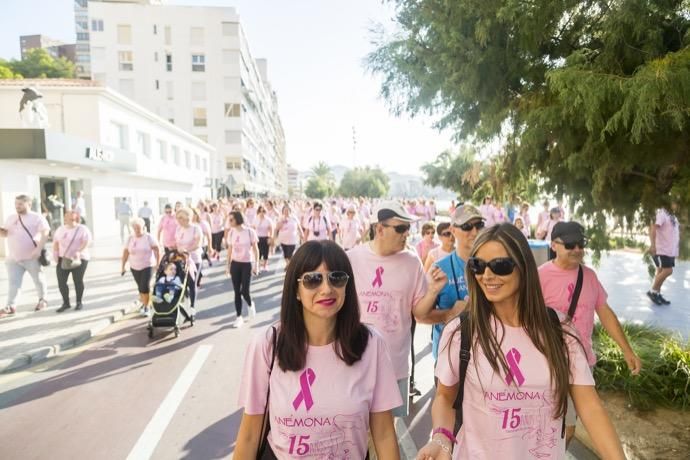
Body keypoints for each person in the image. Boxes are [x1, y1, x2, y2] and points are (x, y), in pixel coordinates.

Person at [417, 223, 625, 460]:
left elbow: (590, 407)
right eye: (478, 265)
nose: (487, 275)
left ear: (523, 267)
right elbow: (445, 396)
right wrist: (441, 438)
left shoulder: (561, 331)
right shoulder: (461, 331)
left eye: (500, 266)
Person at [235, 240, 402, 458]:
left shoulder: (371, 345)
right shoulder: (267, 344)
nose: (326, 289)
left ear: (347, 286)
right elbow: (249, 434)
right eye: (313, 279)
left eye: (337, 278)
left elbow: (384, 433)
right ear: (296, 290)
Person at [539, 221, 641, 446]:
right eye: (570, 244)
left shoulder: (590, 277)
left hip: (581, 364)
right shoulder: (539, 277)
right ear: (554, 245)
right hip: (547, 363)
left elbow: (605, 313)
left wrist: (627, 350)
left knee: (569, 427)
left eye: (581, 244)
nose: (577, 249)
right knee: (548, 425)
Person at [348, 201, 447, 415]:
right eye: (400, 228)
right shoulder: (351, 259)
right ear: (380, 228)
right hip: (355, 366)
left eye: (408, 229)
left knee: (387, 436)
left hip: (396, 368)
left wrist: (432, 292)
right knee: (354, 436)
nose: (406, 234)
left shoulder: (412, 262)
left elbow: (419, 314)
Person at [425, 205, 484, 364]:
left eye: (479, 225)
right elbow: (420, 314)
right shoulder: (439, 268)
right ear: (453, 230)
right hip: (448, 358)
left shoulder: (492, 263)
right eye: (467, 226)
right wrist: (448, 314)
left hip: (483, 357)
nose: (475, 232)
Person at [0, 194, 50, 317]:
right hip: (13, 258)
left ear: (29, 204)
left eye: (20, 204)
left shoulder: (36, 217)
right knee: (13, 282)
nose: (17, 206)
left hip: (31, 256)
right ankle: (11, 306)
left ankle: (42, 300)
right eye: (16, 204)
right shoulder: (11, 217)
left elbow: (45, 232)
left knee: (38, 279)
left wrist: (38, 249)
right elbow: (6, 234)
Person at [225, 211, 259, 328]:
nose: (229, 222)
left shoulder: (250, 232)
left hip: (246, 264)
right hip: (235, 264)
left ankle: (250, 304)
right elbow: (229, 250)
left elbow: (256, 250)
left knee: (245, 291)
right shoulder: (231, 233)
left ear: (237, 220)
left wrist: (256, 265)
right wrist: (227, 265)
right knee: (236, 292)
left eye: (231, 220)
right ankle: (239, 317)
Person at [53, 210, 92, 312]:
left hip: (80, 258)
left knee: (77, 280)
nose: (71, 220)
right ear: (65, 218)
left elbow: (87, 242)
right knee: (61, 282)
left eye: (73, 218)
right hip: (63, 258)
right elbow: (56, 242)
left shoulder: (83, 229)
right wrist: (55, 254)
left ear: (77, 218)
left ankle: (79, 302)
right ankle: (66, 303)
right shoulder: (60, 229)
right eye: (68, 218)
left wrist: (79, 251)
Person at [121, 217, 160, 316]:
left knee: (144, 286)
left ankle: (146, 307)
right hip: (134, 266)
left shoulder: (148, 237)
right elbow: (125, 252)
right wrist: (123, 266)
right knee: (140, 287)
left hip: (148, 265)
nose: (137, 230)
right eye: (135, 228)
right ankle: (145, 303)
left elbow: (157, 249)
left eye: (139, 228)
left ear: (143, 227)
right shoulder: (130, 238)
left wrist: (158, 263)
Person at [647, 204, 680, 305]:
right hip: (661, 250)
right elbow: (653, 228)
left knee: (661, 271)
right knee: (668, 271)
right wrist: (653, 245)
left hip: (670, 251)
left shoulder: (673, 216)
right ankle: (652, 292)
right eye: (675, 202)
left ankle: (657, 294)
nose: (678, 205)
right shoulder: (662, 213)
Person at [173, 207, 202, 313]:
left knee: (191, 282)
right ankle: (185, 302)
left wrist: (186, 250)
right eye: (177, 218)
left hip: (193, 259)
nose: (178, 220)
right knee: (181, 283)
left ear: (186, 217)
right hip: (180, 259)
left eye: (180, 218)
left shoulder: (196, 228)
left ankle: (192, 307)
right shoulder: (178, 229)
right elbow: (177, 243)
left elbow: (198, 244)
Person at [253, 205, 274, 273]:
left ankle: (265, 265)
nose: (262, 213)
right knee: (258, 252)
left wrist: (270, 238)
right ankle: (258, 266)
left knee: (265, 252)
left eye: (263, 211)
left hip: (265, 237)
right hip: (257, 238)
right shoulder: (256, 219)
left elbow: (271, 229)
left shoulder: (268, 220)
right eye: (261, 211)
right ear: (258, 212)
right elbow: (253, 228)